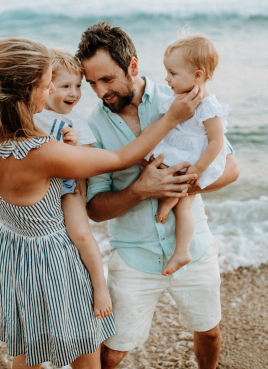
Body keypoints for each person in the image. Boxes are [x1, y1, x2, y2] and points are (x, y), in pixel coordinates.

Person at [0, 37, 203, 369]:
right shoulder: (40, 152)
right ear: (25, 92)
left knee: (28, 348)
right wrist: (171, 119)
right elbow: (119, 157)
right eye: (46, 86)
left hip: (14, 252)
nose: (50, 93)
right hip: (55, 260)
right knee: (84, 349)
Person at [76, 22, 239, 369]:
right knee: (115, 350)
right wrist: (140, 190)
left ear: (133, 66)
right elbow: (94, 208)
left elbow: (231, 167)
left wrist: (181, 186)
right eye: (91, 82)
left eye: (107, 79)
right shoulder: (92, 126)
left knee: (208, 331)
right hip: (134, 257)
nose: (99, 91)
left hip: (193, 249)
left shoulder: (180, 95)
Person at [34, 47, 112, 319]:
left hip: (67, 189)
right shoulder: (32, 115)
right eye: (65, 86)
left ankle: (100, 287)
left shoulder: (76, 120)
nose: (74, 93)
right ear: (45, 86)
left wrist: (73, 145)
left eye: (78, 86)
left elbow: (88, 157)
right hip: (38, 189)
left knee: (80, 233)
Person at [144, 34, 230, 276]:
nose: (166, 78)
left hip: (196, 160)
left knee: (184, 207)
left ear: (198, 75)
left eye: (173, 73)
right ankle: (171, 199)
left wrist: (199, 169)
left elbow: (216, 141)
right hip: (181, 153)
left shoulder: (209, 105)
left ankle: (182, 251)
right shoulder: (181, 96)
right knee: (157, 166)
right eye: (167, 72)